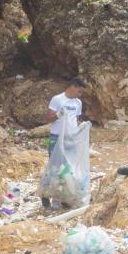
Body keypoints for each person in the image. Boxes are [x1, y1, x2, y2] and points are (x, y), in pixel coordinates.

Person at [42, 77, 87, 208]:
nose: (80, 95)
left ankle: (63, 198)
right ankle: (44, 195)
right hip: (56, 137)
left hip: (70, 139)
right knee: (54, 167)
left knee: (67, 168)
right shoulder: (58, 99)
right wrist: (57, 115)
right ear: (72, 87)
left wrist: (81, 127)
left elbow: (76, 120)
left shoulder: (78, 102)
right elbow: (47, 118)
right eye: (79, 91)